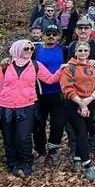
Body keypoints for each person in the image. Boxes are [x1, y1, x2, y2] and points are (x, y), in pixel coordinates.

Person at [0, 40, 62, 177]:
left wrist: (62, 69)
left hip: (27, 105)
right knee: (9, 138)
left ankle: (26, 164)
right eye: (26, 48)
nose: (29, 51)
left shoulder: (35, 65)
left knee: (24, 137)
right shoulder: (5, 66)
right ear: (17, 49)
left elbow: (50, 79)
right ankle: (13, 164)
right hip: (6, 106)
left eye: (31, 49)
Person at [59, 41, 95, 181]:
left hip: (89, 102)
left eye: (85, 50)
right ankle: (88, 166)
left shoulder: (93, 67)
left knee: (85, 131)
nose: (83, 53)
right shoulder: (69, 67)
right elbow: (67, 88)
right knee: (81, 132)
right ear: (75, 52)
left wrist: (89, 100)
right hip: (73, 104)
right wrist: (81, 103)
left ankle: (77, 159)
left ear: (89, 52)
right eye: (80, 50)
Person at [66, 18, 95, 157]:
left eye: (86, 28)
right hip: (75, 89)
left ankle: (92, 147)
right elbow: (66, 64)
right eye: (80, 28)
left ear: (91, 30)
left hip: (94, 90)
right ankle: (74, 147)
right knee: (72, 120)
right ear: (76, 30)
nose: (83, 31)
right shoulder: (72, 45)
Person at [33, 24, 67, 166]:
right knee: (38, 125)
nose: (51, 37)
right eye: (48, 34)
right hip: (39, 94)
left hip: (58, 93)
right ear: (43, 35)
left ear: (58, 36)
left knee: (57, 124)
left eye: (54, 34)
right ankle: (41, 151)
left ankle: (53, 151)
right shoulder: (35, 50)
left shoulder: (64, 50)